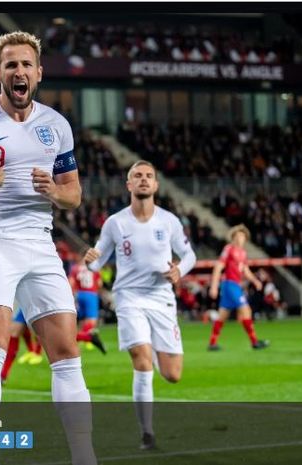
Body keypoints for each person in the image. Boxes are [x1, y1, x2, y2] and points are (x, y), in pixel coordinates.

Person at [0, 31, 96, 465]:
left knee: (67, 352)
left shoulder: (56, 125)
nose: (19, 72)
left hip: (39, 242)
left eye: (26, 65)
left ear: (38, 72)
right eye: (11, 65)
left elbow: (74, 196)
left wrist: (53, 190)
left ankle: (83, 455)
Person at [84, 160, 196, 451]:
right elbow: (98, 263)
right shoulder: (115, 223)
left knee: (172, 375)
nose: (144, 180)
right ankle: (147, 433)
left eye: (149, 176)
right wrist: (90, 260)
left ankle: (156, 350)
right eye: (138, 176)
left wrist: (178, 271)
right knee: (141, 360)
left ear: (156, 185)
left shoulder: (169, 221)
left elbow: (189, 255)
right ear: (129, 185)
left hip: (161, 298)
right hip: (129, 297)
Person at [207, 224, 269, 351]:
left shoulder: (243, 253)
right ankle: (254, 342)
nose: (240, 238)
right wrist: (214, 286)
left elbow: (245, 270)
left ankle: (212, 343)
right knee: (246, 310)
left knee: (222, 315)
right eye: (238, 235)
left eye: (242, 236)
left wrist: (255, 281)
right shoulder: (229, 249)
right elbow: (218, 267)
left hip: (234, 285)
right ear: (233, 237)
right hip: (230, 285)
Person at [69, 259, 106, 354]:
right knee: (91, 320)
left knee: (81, 320)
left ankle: (83, 340)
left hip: (79, 294)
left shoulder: (75, 268)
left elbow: (71, 283)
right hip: (91, 294)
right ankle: (88, 338)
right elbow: (99, 283)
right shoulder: (95, 268)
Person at [0, 309, 43, 384]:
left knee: (38, 330)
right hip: (26, 302)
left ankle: (37, 353)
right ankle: (3, 375)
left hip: (41, 303)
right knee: (14, 331)